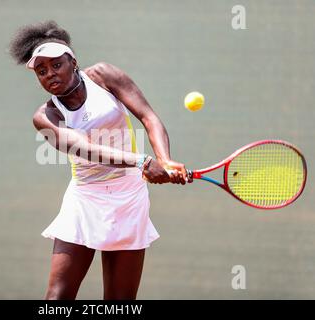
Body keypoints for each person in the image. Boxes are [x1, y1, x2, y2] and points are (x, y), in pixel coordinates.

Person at [10, 21, 191, 300]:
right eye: (41, 71)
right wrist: (142, 161)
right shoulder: (45, 116)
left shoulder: (104, 76)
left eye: (56, 65)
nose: (49, 75)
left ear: (73, 62)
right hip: (85, 200)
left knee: (120, 302)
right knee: (57, 298)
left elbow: (148, 117)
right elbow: (87, 149)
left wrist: (165, 160)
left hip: (129, 198)